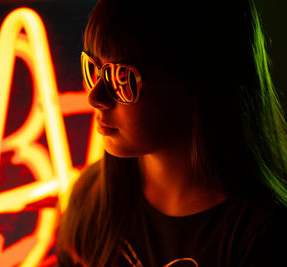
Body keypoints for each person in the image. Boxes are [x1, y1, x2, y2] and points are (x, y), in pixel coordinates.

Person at [56, 0, 287, 266]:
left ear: (201, 84)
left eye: (122, 78)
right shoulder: (89, 201)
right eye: (93, 69)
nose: (95, 97)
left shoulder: (262, 237)